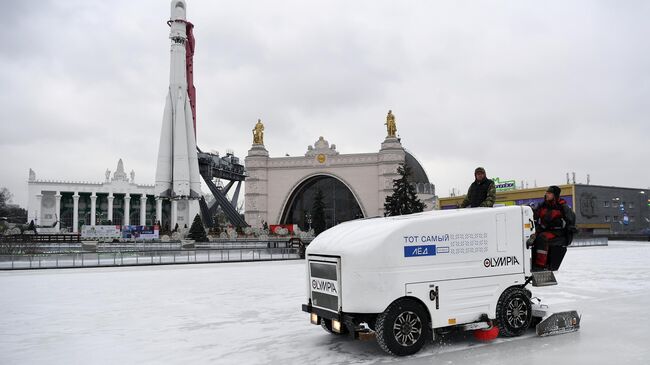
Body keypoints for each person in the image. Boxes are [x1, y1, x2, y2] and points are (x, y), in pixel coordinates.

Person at [530, 185, 577, 271]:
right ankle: (530, 262)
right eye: (546, 193)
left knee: (542, 238)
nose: (547, 195)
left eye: (549, 193)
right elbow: (535, 215)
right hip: (543, 229)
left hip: (556, 231)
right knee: (531, 237)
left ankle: (540, 265)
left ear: (555, 195)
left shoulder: (562, 206)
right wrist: (529, 210)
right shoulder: (542, 205)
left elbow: (571, 218)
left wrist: (571, 228)